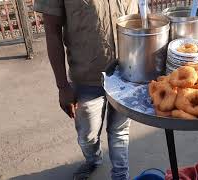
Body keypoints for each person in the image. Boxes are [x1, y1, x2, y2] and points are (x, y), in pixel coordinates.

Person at [33, 1, 138, 180]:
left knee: (119, 131)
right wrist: (62, 86)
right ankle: (93, 159)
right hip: (86, 79)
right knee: (87, 136)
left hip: (126, 73)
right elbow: (52, 31)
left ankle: (121, 175)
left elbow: (143, 15)